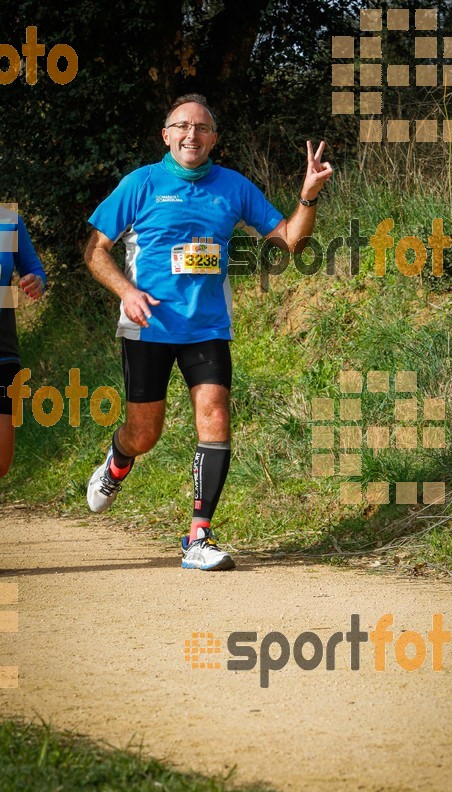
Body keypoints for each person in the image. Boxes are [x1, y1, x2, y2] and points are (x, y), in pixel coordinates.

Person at [84, 93, 332, 571]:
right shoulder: (140, 184)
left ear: (214, 139)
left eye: (201, 128)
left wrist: (308, 195)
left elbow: (291, 241)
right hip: (148, 326)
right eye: (181, 126)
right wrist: (126, 292)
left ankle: (199, 537)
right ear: (166, 135)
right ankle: (118, 459)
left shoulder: (232, 187)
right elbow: (95, 251)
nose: (191, 135)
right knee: (144, 433)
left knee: (215, 414)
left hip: (207, 328)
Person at [0, 211, 46, 477]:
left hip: (3, 350)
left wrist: (36, 282)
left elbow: (35, 271)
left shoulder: (8, 221)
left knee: (2, 463)